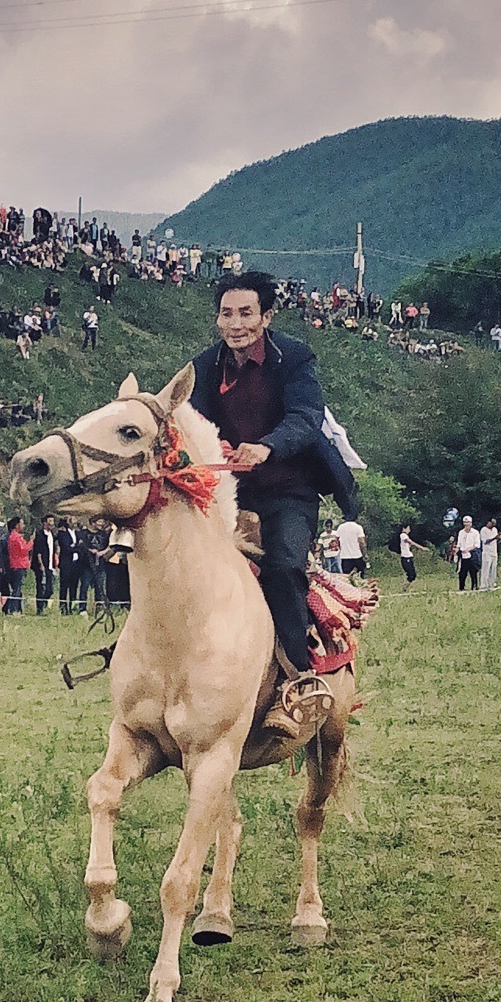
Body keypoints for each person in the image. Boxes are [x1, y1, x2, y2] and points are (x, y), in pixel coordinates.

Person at [189, 271, 358, 733]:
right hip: (228, 491)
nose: (235, 322)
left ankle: (300, 681)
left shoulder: (295, 359)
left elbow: (307, 417)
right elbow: (190, 421)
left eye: (246, 312)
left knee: (283, 565)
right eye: (227, 313)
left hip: (288, 490)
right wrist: (209, 449)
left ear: (266, 316)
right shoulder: (204, 366)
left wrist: (266, 446)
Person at [31, 513, 57, 614]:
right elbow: (38, 551)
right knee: (40, 586)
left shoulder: (52, 535)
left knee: (50, 589)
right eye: (50, 521)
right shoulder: (40, 534)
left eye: (53, 522)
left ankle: (44, 603)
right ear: (45, 523)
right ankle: (39, 609)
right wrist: (40, 564)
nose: (52, 524)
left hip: (50, 565)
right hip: (41, 565)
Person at [5, 516, 31, 615]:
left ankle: (17, 608)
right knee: (17, 588)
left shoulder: (14, 536)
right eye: (22, 523)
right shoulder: (15, 537)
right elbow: (24, 549)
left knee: (18, 588)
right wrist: (31, 542)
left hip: (19, 564)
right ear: (16, 525)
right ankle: (13, 609)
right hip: (18, 564)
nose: (23, 525)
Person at [56, 515, 80, 614]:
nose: (74, 523)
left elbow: (82, 545)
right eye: (72, 521)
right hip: (66, 562)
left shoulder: (78, 533)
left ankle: (72, 607)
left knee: (74, 585)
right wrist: (76, 547)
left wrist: (75, 546)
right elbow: (66, 547)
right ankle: (63, 607)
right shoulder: (63, 533)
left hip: (76, 563)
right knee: (64, 585)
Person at [455, 515, 481, 591]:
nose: (466, 524)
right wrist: (457, 550)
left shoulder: (475, 532)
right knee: (462, 572)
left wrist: (469, 549)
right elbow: (459, 543)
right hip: (463, 555)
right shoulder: (461, 532)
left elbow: (477, 544)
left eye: (468, 522)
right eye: (465, 522)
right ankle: (461, 587)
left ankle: (475, 586)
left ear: (471, 523)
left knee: (473, 571)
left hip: (472, 554)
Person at [479, 518, 501, 590]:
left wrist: (498, 538)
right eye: (492, 523)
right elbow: (485, 541)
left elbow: (495, 540)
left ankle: (492, 583)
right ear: (488, 522)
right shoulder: (484, 530)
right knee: (486, 568)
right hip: (486, 552)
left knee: (493, 568)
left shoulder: (495, 530)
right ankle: (484, 584)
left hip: (494, 551)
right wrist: (495, 537)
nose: (493, 525)